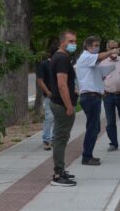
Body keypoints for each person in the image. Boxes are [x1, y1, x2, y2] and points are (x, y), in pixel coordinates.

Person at [76, 36, 120, 166]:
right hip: (90, 97)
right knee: (92, 128)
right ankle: (86, 157)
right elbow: (100, 56)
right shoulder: (86, 57)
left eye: (98, 45)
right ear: (88, 46)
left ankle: (88, 155)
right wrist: (112, 52)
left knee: (94, 128)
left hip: (94, 96)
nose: (97, 48)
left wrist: (102, 75)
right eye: (95, 45)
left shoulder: (90, 60)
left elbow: (93, 75)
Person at [49, 31, 78, 186]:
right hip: (61, 105)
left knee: (62, 137)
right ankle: (58, 174)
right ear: (62, 42)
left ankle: (61, 169)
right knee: (60, 138)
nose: (73, 44)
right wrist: (68, 105)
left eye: (75, 41)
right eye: (71, 41)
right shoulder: (61, 59)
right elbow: (61, 84)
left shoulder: (61, 57)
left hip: (60, 103)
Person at [99, 40, 120, 152]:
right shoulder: (102, 62)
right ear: (107, 49)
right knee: (110, 121)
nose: (114, 50)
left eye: (116, 48)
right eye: (111, 48)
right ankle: (113, 143)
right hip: (108, 96)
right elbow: (98, 79)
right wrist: (101, 91)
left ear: (119, 49)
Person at [37, 45, 58, 150]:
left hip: (60, 96)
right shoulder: (44, 64)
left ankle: (55, 139)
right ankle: (46, 140)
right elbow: (40, 81)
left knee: (58, 118)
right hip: (50, 95)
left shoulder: (60, 64)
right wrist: (48, 92)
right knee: (49, 117)